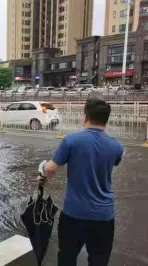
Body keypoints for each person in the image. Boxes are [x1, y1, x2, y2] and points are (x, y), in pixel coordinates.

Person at [37, 98, 124, 266]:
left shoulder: (71, 141)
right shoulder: (117, 147)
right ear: (107, 119)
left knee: (67, 258)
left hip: (74, 214)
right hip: (104, 217)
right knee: (99, 260)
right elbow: (113, 163)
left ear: (86, 117)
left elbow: (50, 170)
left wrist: (42, 167)